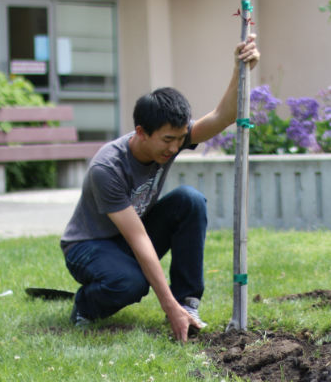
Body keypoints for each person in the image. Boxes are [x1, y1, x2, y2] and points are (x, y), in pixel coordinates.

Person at [60, 35, 260, 342]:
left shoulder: (171, 138)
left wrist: (239, 68)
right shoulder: (108, 168)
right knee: (131, 283)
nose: (175, 147)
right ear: (141, 132)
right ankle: (85, 306)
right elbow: (139, 241)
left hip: (126, 237)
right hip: (89, 246)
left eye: (181, 139)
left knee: (189, 200)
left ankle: (189, 304)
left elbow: (222, 117)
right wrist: (167, 308)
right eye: (168, 140)